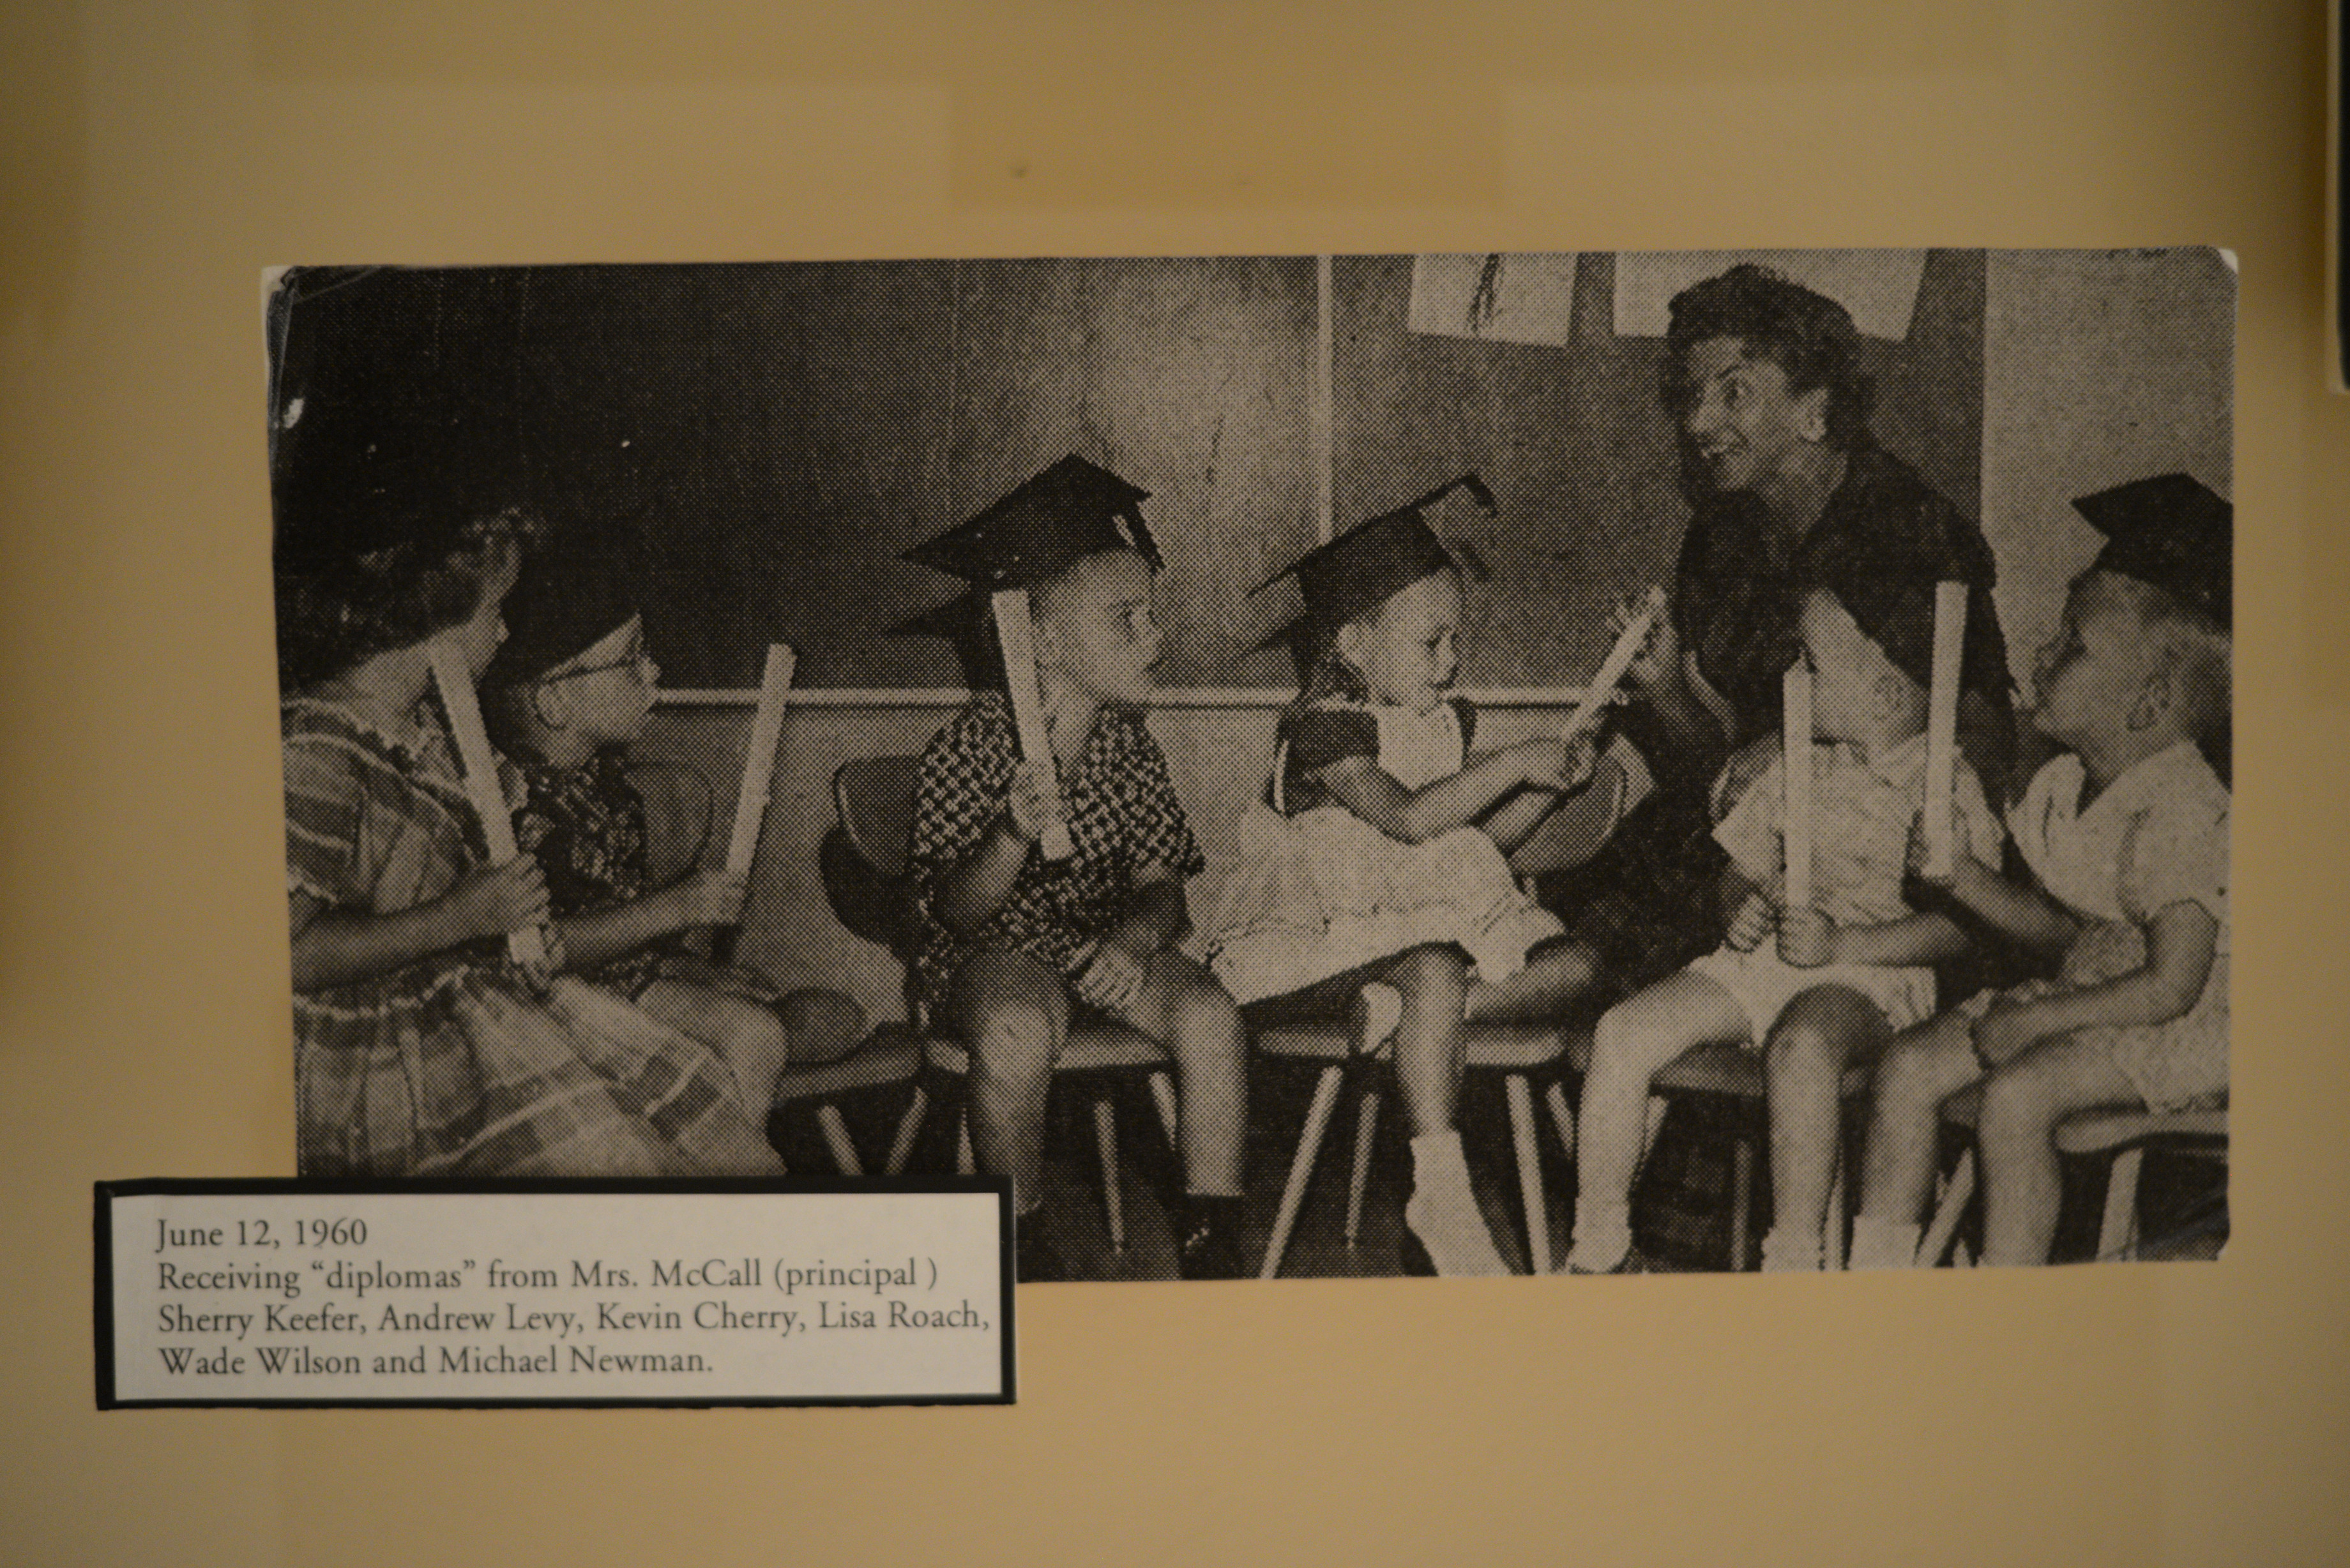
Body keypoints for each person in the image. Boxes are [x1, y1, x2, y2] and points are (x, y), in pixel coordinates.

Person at [275, 423, 785, 1177]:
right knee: (596, 1151)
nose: (506, 628)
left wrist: (502, 923)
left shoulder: (430, 740)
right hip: (367, 1055)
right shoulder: (318, 747)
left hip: (466, 1005)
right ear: (431, 615)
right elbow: (285, 953)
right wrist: (459, 918)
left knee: (646, 1129)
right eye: (494, 608)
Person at [1543, 264, 2014, 1016]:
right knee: (1590, 912)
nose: (1697, 424)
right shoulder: (1720, 534)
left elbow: (1979, 747)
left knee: (1634, 949)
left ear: (1814, 411)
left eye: (1733, 391)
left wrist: (1808, 764)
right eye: (1691, 396)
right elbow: (1722, 773)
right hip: (1765, 838)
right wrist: (1666, 690)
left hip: (1882, 868)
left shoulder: (1911, 530)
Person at [1208, 480, 1600, 1276]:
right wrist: (1509, 762)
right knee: (1433, 965)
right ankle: (1439, 1188)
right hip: (1335, 930)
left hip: (1432, 929)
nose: (1451, 661)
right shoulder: (1325, 729)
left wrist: (1541, 787)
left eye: (1456, 640)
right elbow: (1409, 817)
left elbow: (1475, 843)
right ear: (1353, 643)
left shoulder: (1445, 719)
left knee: (1579, 964)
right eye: (1431, 642)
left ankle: (1405, 1014)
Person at [1559, 575, 2002, 1274]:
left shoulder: (1943, 783)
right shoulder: (1795, 763)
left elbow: (1965, 926)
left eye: (1810, 662)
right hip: (1766, 963)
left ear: (1885, 694)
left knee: (1799, 1049)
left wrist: (1846, 944)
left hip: (1872, 979)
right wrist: (1739, 901)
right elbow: (1736, 864)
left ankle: (1792, 1258)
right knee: (1622, 1030)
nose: (1791, 674)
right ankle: (1599, 1247)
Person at [1850, 474, 2231, 1268]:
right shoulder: (2062, 786)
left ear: (2147, 702)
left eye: (2071, 645)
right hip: (2087, 990)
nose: (2040, 654)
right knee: (1909, 1064)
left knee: (2018, 1093)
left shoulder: (2181, 811)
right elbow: (2061, 928)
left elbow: (2173, 986)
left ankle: (2009, 1298)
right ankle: (1875, 1272)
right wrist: (1960, 879)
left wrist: (2033, 1022)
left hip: (2178, 1023)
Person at [903, 456, 1250, 1281]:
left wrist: (1135, 939)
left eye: (1152, 616)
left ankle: (1215, 1230)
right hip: (995, 955)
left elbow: (1163, 882)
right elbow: (956, 913)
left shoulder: (1130, 748)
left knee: (1213, 1020)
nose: (1155, 639)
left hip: (1104, 944)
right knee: (1017, 1033)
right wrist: (1010, 835)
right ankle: (1020, 1243)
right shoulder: (969, 747)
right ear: (1043, 641)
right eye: (1126, 620)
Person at [481, 532, 868, 1119]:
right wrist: (676, 909)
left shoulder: (605, 789)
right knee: (754, 1036)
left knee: (800, 1008)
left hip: (623, 985)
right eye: (631, 657)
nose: (654, 668)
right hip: (557, 1008)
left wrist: (681, 966)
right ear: (554, 704)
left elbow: (621, 930)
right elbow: (542, 949)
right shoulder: (522, 814)